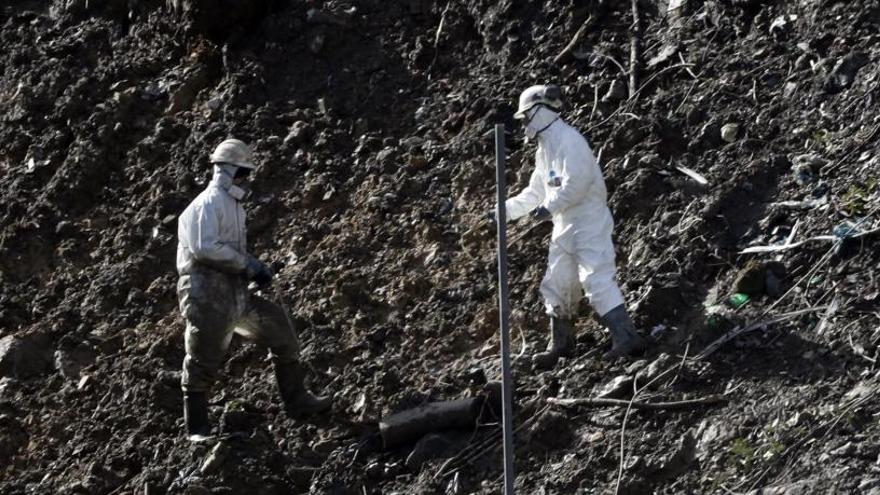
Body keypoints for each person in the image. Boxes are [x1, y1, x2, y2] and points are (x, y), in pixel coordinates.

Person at [176, 138, 330, 440]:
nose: (246, 180)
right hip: (205, 293)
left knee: (281, 332)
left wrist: (252, 270)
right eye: (242, 172)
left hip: (234, 292)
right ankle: (196, 429)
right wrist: (248, 264)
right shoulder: (206, 203)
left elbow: (228, 252)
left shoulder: (234, 207)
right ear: (228, 171)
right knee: (202, 358)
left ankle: (297, 402)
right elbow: (205, 248)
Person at [497, 85, 646, 368]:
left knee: (595, 278)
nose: (525, 124)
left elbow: (577, 183)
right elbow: (535, 191)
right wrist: (504, 211)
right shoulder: (545, 150)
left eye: (526, 116)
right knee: (558, 282)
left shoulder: (570, 140)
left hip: (587, 220)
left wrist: (550, 206)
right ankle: (562, 345)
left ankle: (627, 337)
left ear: (540, 111)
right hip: (564, 224)